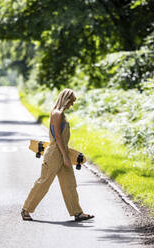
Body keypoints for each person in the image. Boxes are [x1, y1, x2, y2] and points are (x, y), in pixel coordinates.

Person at [21, 89, 94, 221]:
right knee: (44, 182)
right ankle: (26, 209)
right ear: (65, 99)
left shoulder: (61, 114)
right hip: (55, 153)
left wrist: (66, 154)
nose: (71, 105)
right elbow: (58, 138)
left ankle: (77, 212)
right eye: (71, 102)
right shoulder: (57, 113)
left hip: (62, 151)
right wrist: (66, 157)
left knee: (69, 183)